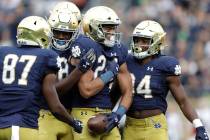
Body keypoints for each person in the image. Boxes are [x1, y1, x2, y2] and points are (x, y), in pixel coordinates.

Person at [123, 20, 209, 140]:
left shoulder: (166, 64)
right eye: (137, 40)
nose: (139, 44)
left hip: (155, 126)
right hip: (130, 124)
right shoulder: (127, 61)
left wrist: (199, 126)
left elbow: (182, 100)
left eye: (144, 41)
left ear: (157, 42)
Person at [0, 16, 83, 140]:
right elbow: (55, 106)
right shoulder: (46, 56)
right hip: (23, 126)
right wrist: (73, 122)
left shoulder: (3, 52)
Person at [69, 6, 133, 140]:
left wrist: (118, 115)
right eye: (107, 27)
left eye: (113, 27)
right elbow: (86, 91)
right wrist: (109, 73)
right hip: (83, 111)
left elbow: (128, 91)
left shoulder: (119, 50)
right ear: (92, 27)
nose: (112, 32)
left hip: (107, 114)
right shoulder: (85, 45)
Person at [38, 4, 95, 140]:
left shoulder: (83, 46)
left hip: (71, 113)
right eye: (57, 32)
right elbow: (53, 91)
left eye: (67, 33)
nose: (61, 37)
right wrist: (79, 70)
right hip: (45, 112)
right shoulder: (42, 50)